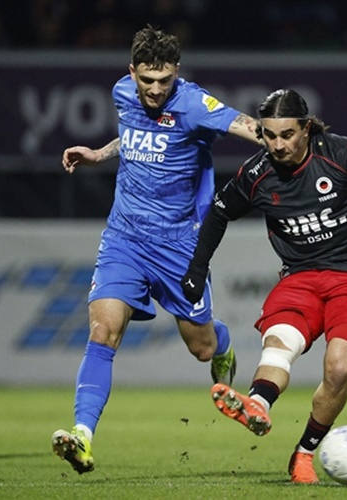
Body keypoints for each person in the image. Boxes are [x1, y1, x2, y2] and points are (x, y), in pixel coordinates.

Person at [181, 89, 347, 484]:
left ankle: (304, 453)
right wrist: (198, 268)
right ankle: (257, 404)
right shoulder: (256, 173)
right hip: (300, 275)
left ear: (307, 129)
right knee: (280, 342)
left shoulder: (340, 152)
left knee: (339, 367)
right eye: (269, 135)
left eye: (286, 135)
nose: (277, 145)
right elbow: (219, 213)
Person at [51, 25, 260, 474]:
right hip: (124, 237)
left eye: (165, 80)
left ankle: (223, 346)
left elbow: (248, 127)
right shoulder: (122, 94)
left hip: (180, 244)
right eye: (147, 80)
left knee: (201, 347)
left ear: (176, 72)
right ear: (132, 73)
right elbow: (133, 137)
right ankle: (82, 435)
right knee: (103, 331)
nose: (156, 90)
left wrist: (294, 143)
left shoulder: (193, 104)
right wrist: (99, 154)